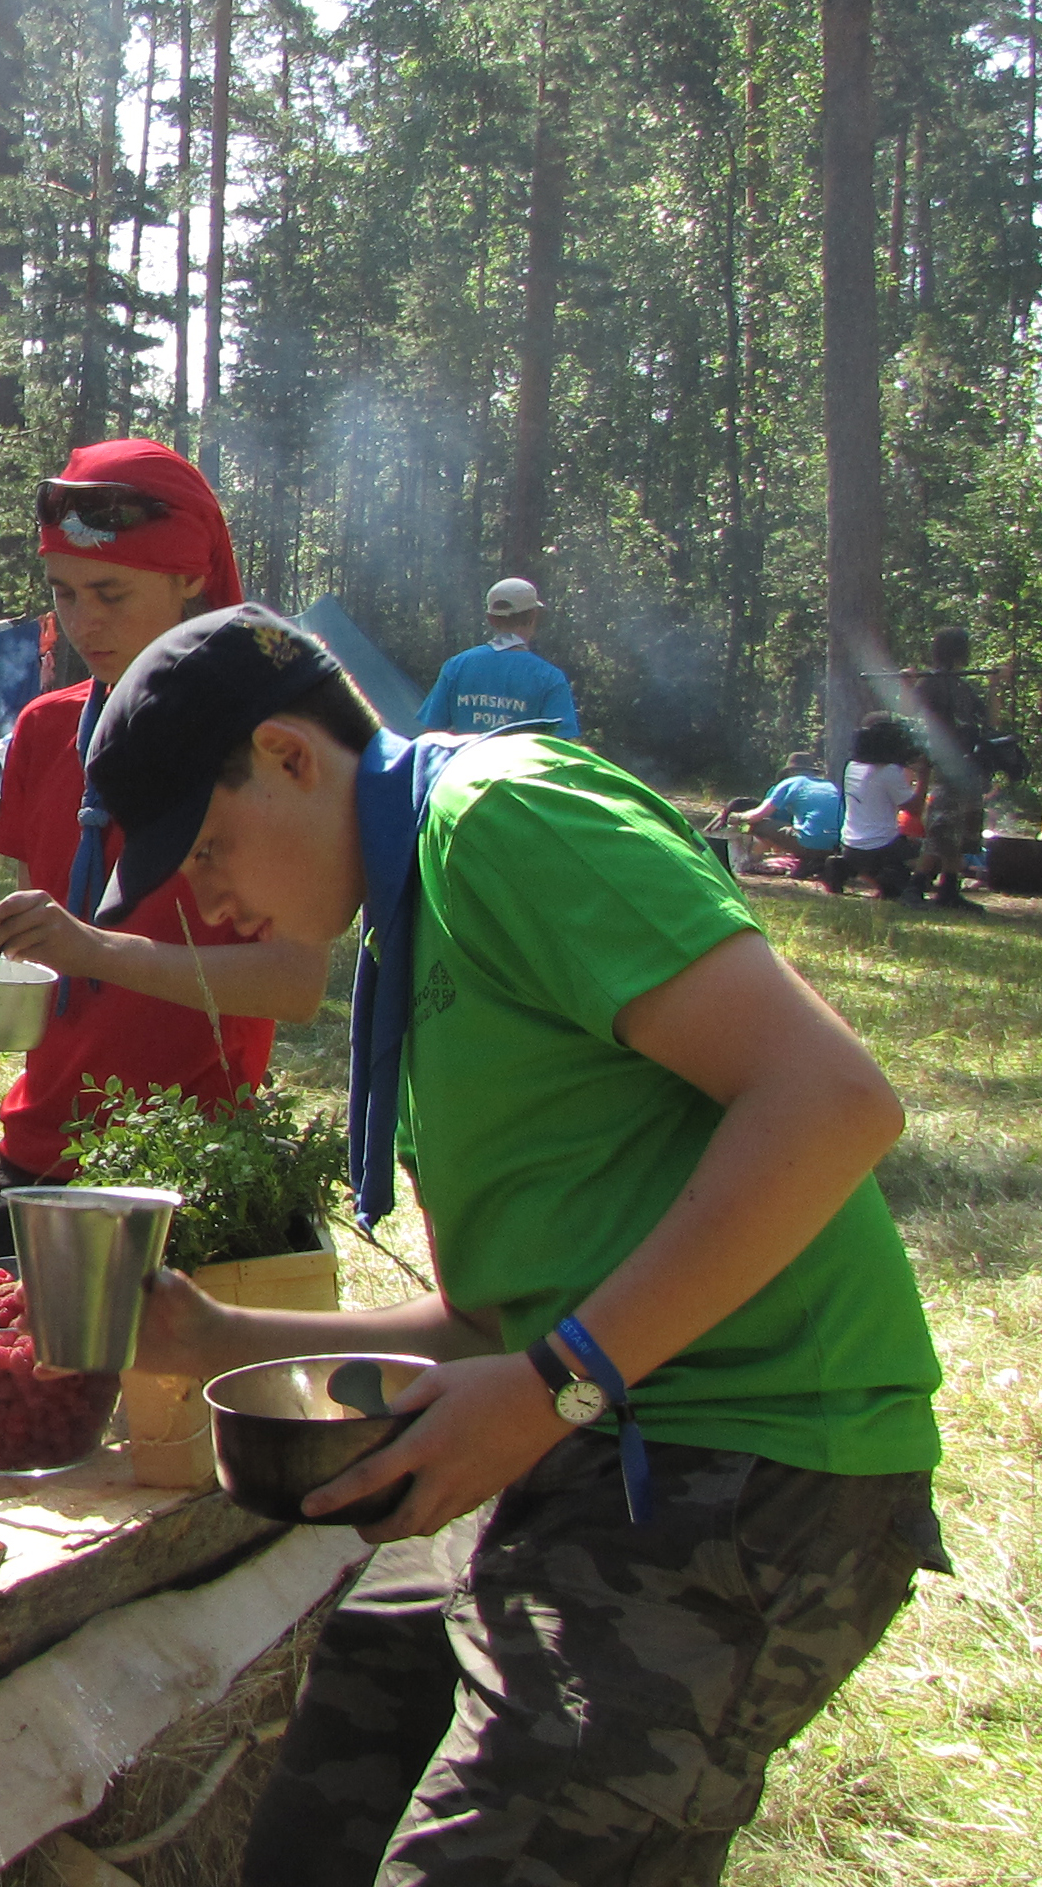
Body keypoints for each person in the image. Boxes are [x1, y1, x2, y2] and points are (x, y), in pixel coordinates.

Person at [74, 603, 942, 1887]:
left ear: (293, 757)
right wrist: (229, 1337)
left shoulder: (502, 823)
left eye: (207, 849)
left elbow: (834, 1103)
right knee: (314, 1829)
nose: (206, 902)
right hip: (603, 1432)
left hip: (756, 1465)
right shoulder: (417, 913)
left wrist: (554, 1389)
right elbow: (502, 1319)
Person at [0, 438, 328, 1267]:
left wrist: (97, 952)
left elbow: (296, 982)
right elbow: (56, 956)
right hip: (43, 1147)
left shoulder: (263, 748)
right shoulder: (45, 732)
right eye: (65, 594)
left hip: (193, 1167)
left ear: (191, 577)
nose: (85, 623)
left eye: (110, 592)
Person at [417, 576, 580, 738]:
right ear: (533, 616)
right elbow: (560, 745)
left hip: (468, 763)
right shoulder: (549, 677)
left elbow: (432, 736)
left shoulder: (457, 666)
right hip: (520, 765)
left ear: (490, 619)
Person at [909, 626, 992, 911]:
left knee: (963, 832)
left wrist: (996, 686)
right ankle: (917, 886)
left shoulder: (963, 685)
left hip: (970, 765)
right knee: (942, 829)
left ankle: (949, 888)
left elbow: (990, 721)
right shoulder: (931, 683)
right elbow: (910, 710)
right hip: (947, 764)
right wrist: (910, 684)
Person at [832, 713, 921, 900]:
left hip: (848, 846)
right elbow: (915, 810)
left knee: (873, 855)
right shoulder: (889, 771)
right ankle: (890, 879)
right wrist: (923, 775)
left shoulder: (852, 766)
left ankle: (843, 867)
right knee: (926, 849)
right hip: (882, 848)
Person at [718, 749, 842, 875]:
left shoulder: (791, 783)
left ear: (792, 771)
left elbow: (758, 815)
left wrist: (737, 817)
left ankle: (747, 861)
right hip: (836, 847)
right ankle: (811, 863)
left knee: (754, 825)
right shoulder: (831, 786)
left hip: (809, 842)